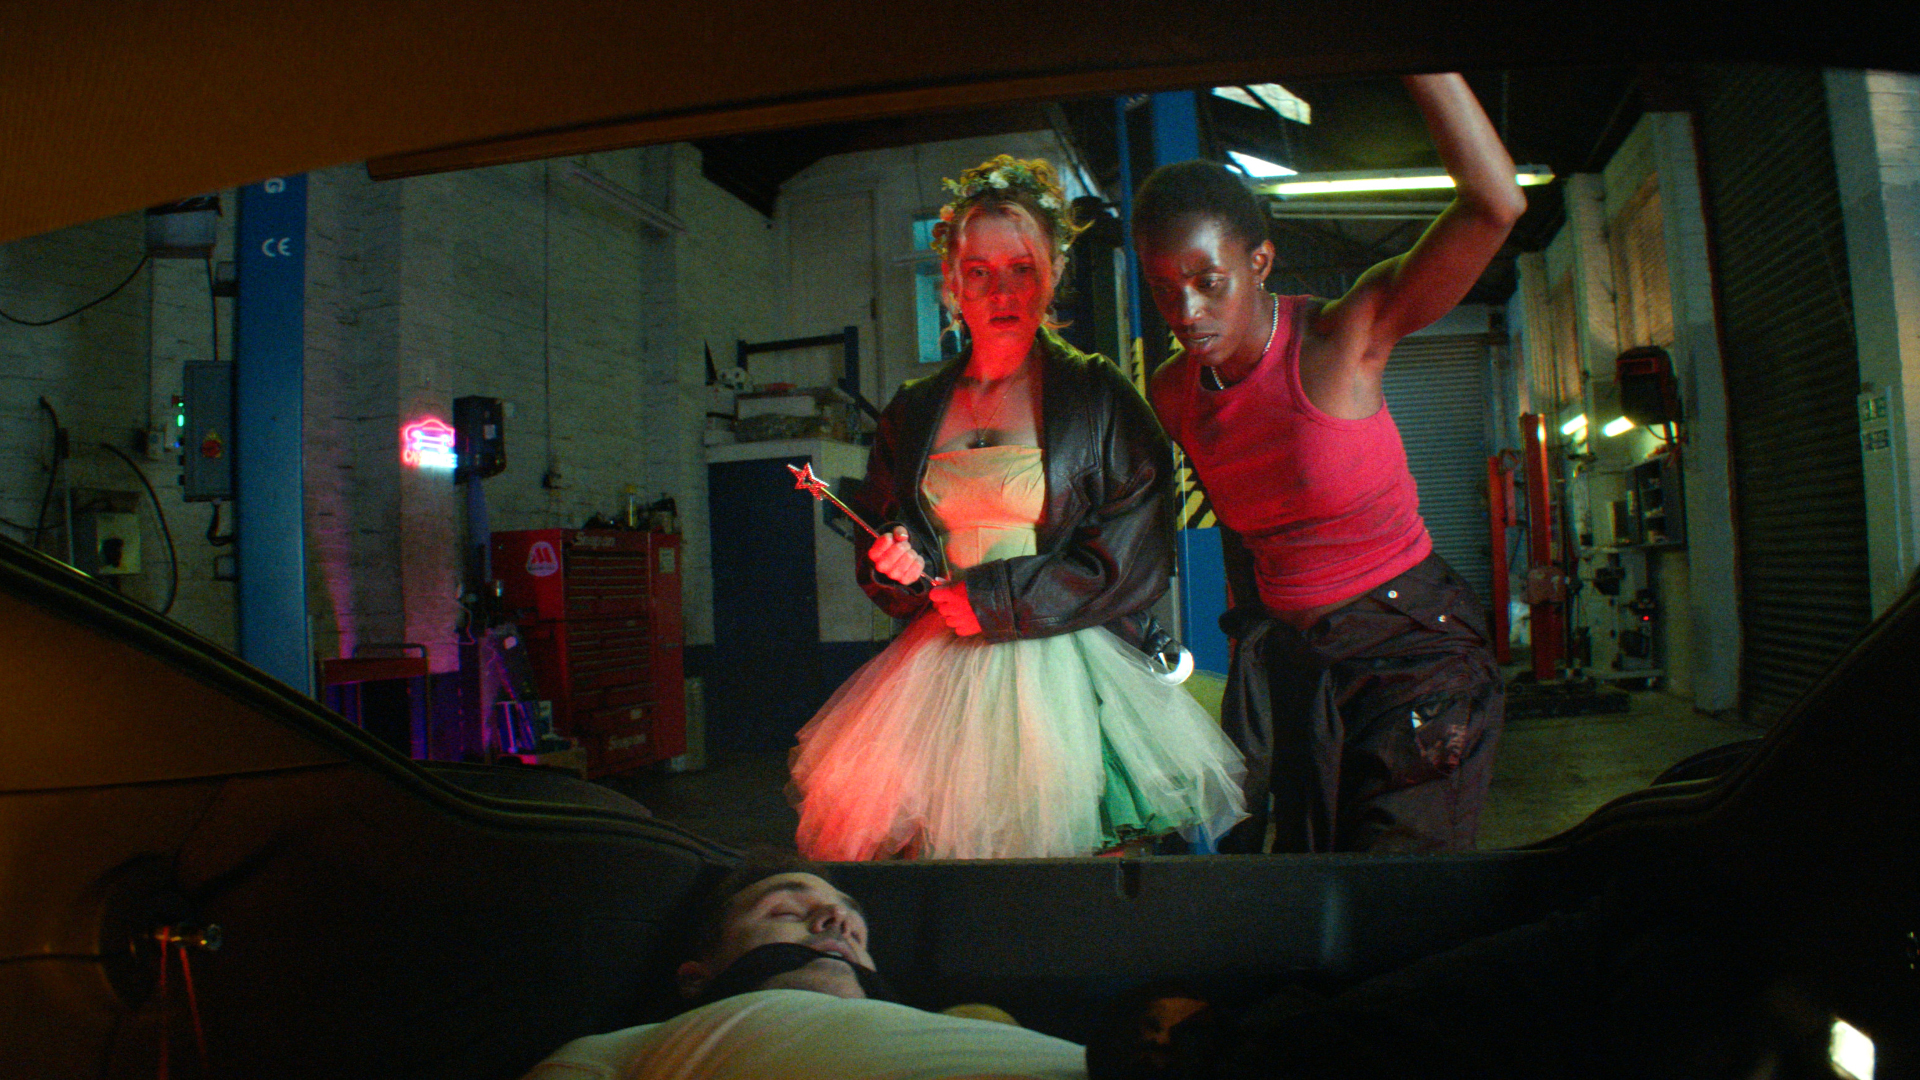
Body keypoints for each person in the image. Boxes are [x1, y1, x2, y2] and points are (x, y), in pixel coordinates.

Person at [789, 154, 1246, 860]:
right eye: (979, 271)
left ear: (1053, 272)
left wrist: (994, 601)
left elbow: (1138, 555)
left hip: (1069, 668)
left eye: (1022, 268)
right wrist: (893, 560)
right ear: (951, 282)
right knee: (940, 863)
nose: (1002, 291)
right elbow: (885, 532)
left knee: (1080, 864)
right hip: (937, 671)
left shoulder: (1098, 396)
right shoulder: (913, 410)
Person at [1131, 74, 1524, 853]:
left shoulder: (1346, 337)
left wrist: (1420, 65)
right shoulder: (1175, 392)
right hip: (1302, 664)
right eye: (1165, 291)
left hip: (1413, 651)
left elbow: (1495, 206)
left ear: (1260, 260)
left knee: (1397, 885)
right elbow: (1242, 532)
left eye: (1209, 283)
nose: (1188, 313)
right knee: (1314, 880)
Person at [521, 858, 1087, 1079]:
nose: (838, 921)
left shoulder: (971, 1020)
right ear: (695, 977)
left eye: (855, 927)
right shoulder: (621, 1052)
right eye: (788, 912)